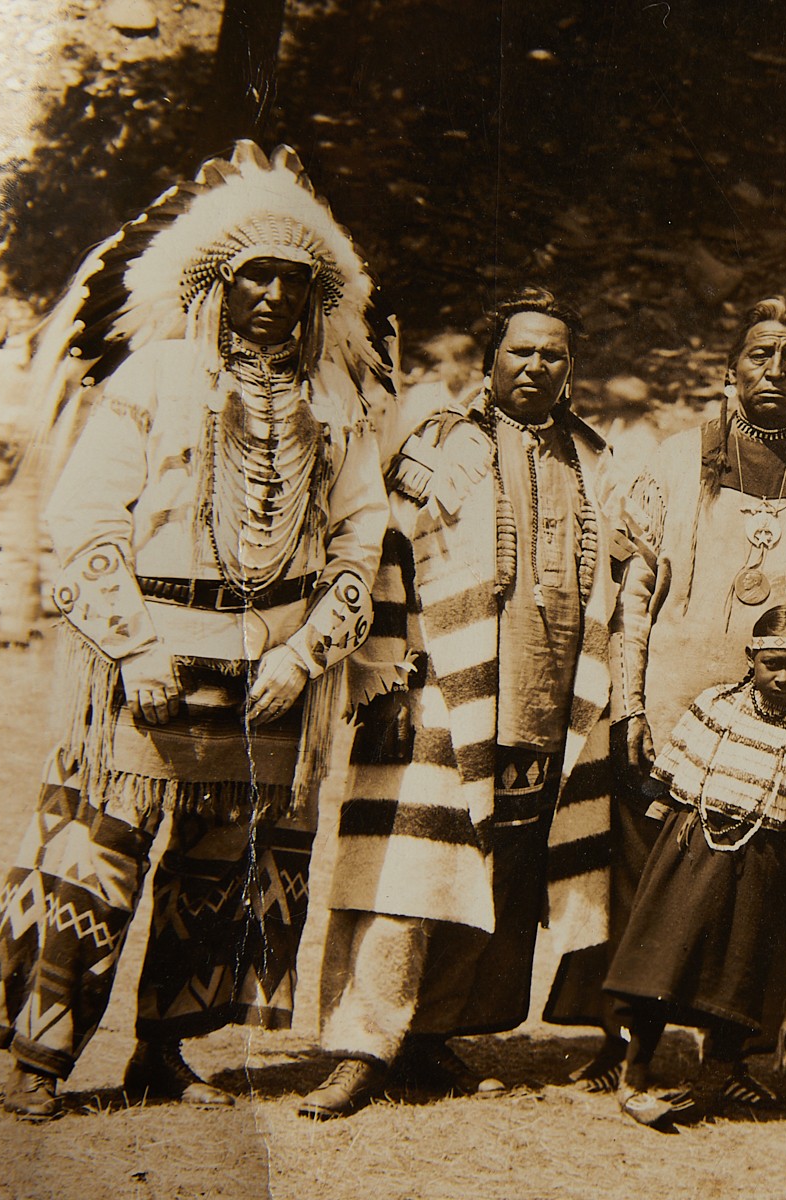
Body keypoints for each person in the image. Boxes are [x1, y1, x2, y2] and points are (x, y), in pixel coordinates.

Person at [0, 141, 394, 1120]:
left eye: (295, 280)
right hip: (149, 650)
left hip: (271, 668)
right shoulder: (154, 377)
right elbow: (83, 519)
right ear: (217, 284)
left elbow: (357, 540)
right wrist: (133, 645)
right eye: (257, 276)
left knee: (222, 866)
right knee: (101, 848)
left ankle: (165, 1053)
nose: (277, 297)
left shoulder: (334, 397)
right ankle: (41, 1060)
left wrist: (304, 653)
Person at [298, 287, 621, 1120]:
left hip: (545, 698)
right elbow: (380, 554)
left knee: (500, 874)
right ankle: (361, 1049)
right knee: (408, 873)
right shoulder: (441, 444)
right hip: (441, 687)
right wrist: (386, 671)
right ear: (491, 361)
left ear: (571, 367)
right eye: (521, 351)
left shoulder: (595, 456)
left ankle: (435, 1034)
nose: (537, 366)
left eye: (554, 353)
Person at [544, 295, 786, 1099]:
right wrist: (629, 701)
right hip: (673, 703)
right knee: (645, 872)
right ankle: (623, 1046)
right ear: (730, 370)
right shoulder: (673, 457)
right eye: (760, 354)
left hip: (778, 718)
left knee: (757, 881)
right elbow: (637, 585)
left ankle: (727, 1057)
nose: (776, 370)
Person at [604, 605, 786, 1127]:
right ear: (752, 658)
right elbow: (672, 786)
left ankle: (715, 1079)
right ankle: (635, 1073)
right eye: (773, 664)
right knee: (667, 959)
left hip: (771, 861)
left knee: (743, 970)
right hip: (696, 851)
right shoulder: (715, 707)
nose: (784, 677)